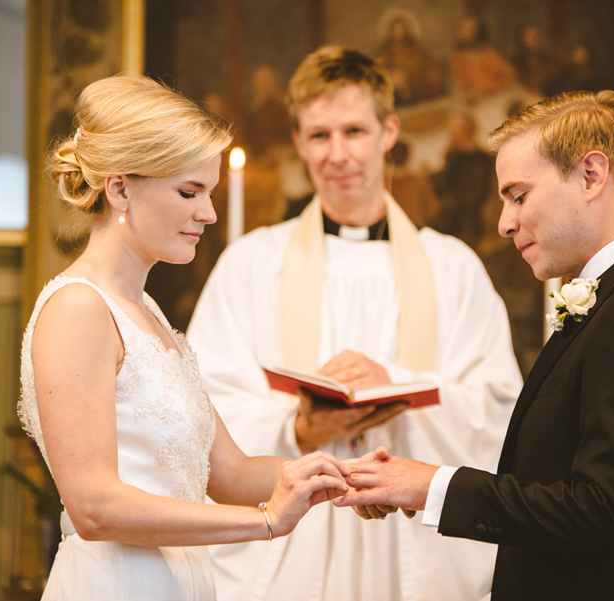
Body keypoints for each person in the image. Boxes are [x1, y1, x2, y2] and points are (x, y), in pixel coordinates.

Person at [337, 90, 614, 600]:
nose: (504, 223)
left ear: (592, 176)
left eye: (519, 196)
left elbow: (601, 508)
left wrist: (432, 486)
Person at [186, 46, 522, 601]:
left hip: (412, 549)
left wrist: (393, 385)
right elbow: (204, 409)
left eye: (354, 132)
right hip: (292, 552)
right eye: (319, 136)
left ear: (389, 131)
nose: (337, 154)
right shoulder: (251, 264)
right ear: (297, 143)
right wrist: (298, 429)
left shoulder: (453, 267)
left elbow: (498, 412)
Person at [16, 73, 351, 600]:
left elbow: (232, 474)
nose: (209, 213)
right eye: (189, 191)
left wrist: (340, 477)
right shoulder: (79, 308)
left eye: (210, 192)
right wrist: (264, 522)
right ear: (120, 187)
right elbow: (95, 507)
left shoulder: (145, 310)